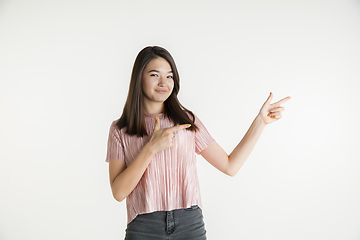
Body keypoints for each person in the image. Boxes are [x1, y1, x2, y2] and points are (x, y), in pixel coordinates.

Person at [105, 46, 291, 240]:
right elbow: (119, 192)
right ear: (138, 78)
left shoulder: (187, 121)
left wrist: (260, 121)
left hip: (189, 223)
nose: (163, 83)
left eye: (169, 76)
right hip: (143, 226)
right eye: (154, 75)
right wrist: (150, 148)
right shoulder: (120, 129)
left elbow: (230, 166)